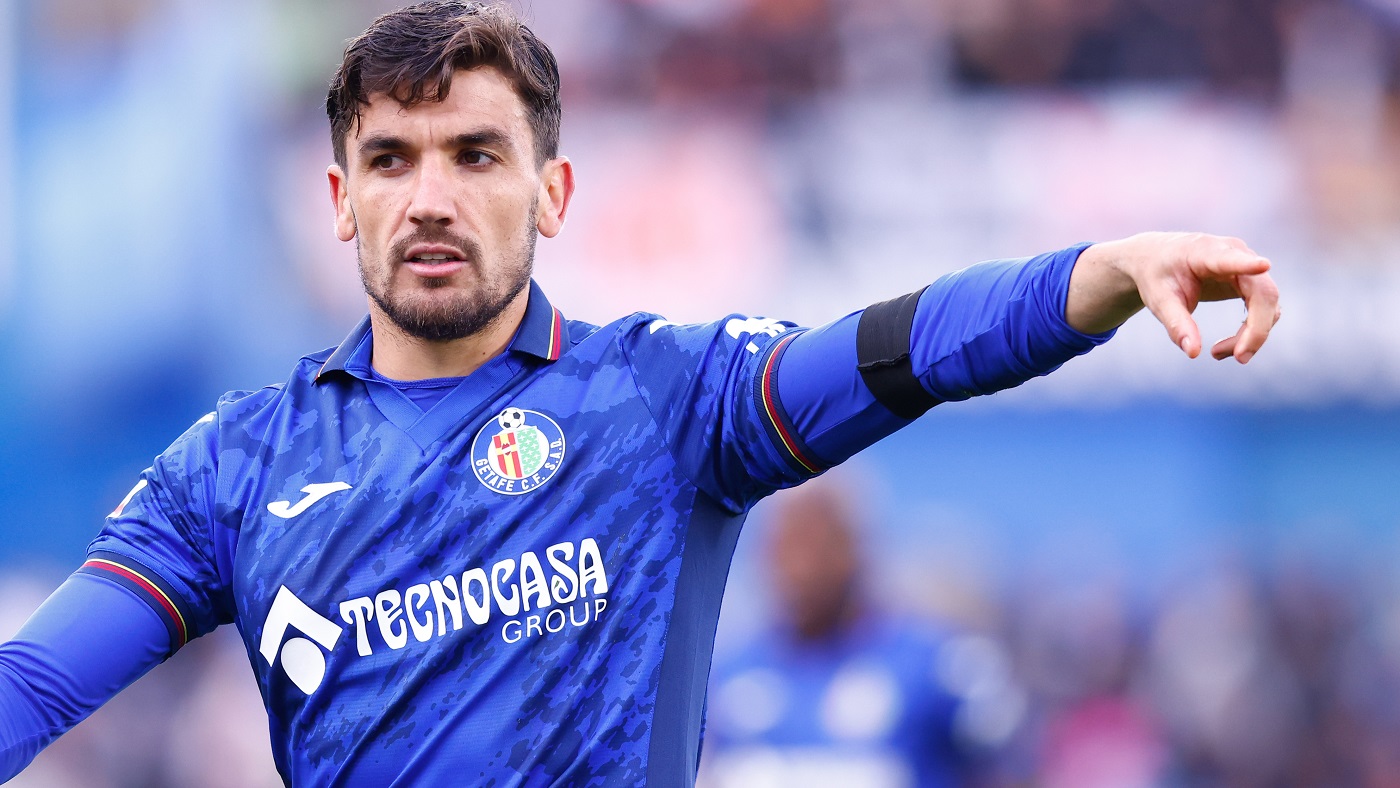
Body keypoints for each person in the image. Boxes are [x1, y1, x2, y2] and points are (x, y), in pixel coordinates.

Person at [0, 2, 1280, 786]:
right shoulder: (236, 464)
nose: (430, 197)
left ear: (551, 192)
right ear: (340, 200)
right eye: (389, 160)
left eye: (475, 155)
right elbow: (40, 681)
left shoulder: (660, 400)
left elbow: (900, 348)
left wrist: (1096, 274)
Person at [703, 480, 999, 788]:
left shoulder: (939, 665)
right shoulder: (728, 674)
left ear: (857, 548)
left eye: (815, 548)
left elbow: (1005, 772)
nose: (798, 569)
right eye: (782, 548)